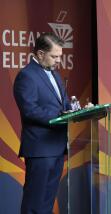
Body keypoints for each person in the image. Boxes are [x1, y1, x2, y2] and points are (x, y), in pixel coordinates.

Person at [14, 32, 70, 213]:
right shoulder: (26, 76)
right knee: (34, 202)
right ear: (40, 54)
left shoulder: (56, 75)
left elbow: (65, 104)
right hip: (40, 149)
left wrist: (76, 110)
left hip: (57, 147)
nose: (57, 61)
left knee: (47, 201)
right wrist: (60, 116)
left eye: (59, 57)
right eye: (54, 56)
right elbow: (30, 110)